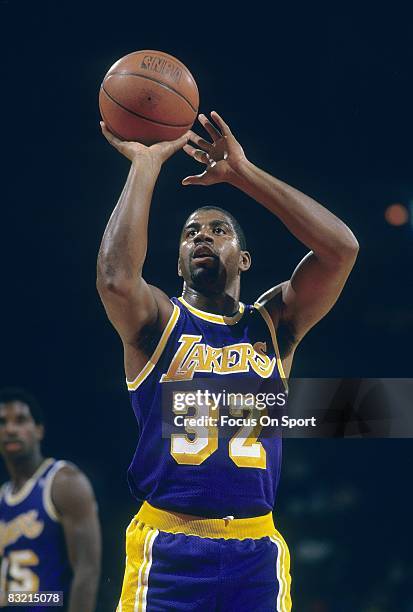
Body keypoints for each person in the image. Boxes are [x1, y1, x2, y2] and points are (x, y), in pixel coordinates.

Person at [97, 111, 359, 611]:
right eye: (191, 232)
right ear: (177, 262)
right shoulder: (157, 322)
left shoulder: (275, 324)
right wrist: (146, 164)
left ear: (243, 259)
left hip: (256, 553)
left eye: (218, 230)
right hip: (169, 547)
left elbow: (342, 249)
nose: (202, 236)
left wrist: (243, 174)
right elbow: (114, 278)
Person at [0, 388, 101, 611]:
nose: (10, 429)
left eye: (20, 420)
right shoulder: (2, 497)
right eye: (2, 422)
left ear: (39, 430)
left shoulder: (64, 481)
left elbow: (87, 569)